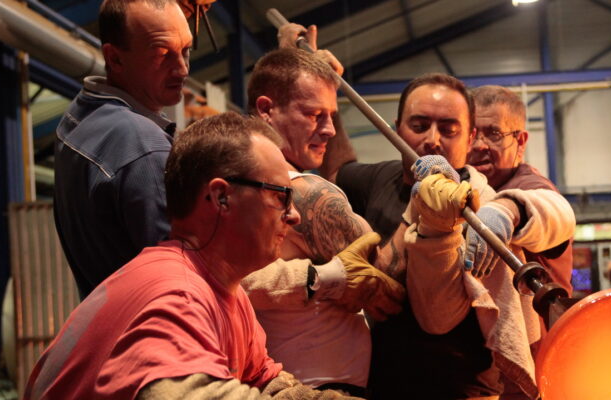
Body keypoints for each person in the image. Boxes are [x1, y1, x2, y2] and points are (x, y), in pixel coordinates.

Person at [25, 113, 362, 400]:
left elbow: (266, 380)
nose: (294, 216)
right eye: (280, 197)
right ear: (221, 197)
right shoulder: (178, 295)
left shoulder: (224, 289)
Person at [324, 73, 562, 399]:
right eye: (419, 125)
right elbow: (338, 170)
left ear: (469, 137)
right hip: (380, 386)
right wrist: (327, 92)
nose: (433, 140)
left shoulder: (481, 201)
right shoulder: (380, 177)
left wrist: (506, 209)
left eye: (449, 130)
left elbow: (437, 318)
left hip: (466, 392)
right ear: (396, 128)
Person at [241, 34, 404, 397]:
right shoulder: (303, 192)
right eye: (314, 114)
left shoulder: (241, 186)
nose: (329, 128)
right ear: (266, 110)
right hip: (322, 387)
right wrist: (425, 212)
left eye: (332, 116)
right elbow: (391, 282)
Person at [53, 0, 193, 299]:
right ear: (114, 58)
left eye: (186, 50)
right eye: (163, 54)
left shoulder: (78, 115)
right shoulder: (146, 148)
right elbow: (185, 284)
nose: (182, 68)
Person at [466, 85, 576, 399]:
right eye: (472, 134)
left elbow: (551, 209)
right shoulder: (465, 189)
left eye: (494, 133)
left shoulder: (528, 184)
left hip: (535, 377)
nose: (479, 145)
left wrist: (508, 209)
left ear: (520, 141)